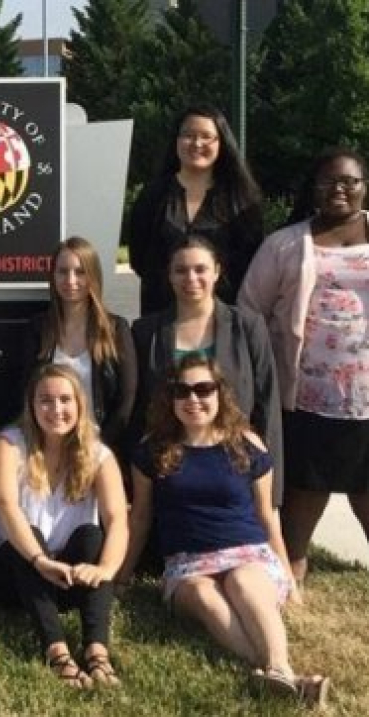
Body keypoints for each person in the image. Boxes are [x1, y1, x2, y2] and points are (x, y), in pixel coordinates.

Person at [119, 355, 328, 708]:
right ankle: (291, 681)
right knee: (202, 594)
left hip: (248, 553)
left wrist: (289, 574)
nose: (193, 400)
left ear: (220, 394)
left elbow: (267, 515)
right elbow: (140, 518)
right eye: (182, 391)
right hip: (187, 565)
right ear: (170, 399)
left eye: (204, 389)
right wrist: (121, 576)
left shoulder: (245, 444)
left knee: (244, 581)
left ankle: (278, 668)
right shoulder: (152, 450)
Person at [239, 147, 369, 586]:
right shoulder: (287, 243)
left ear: (364, 188)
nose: (340, 189)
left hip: (366, 394)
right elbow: (250, 308)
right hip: (307, 391)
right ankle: (293, 562)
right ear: (313, 190)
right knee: (307, 483)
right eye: (329, 181)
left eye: (350, 181)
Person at [0, 364, 128, 689]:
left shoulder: (99, 455)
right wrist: (40, 561)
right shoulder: (10, 444)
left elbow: (118, 520)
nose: (56, 409)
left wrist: (105, 569)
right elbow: (5, 505)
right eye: (45, 400)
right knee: (27, 535)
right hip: (11, 575)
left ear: (79, 405)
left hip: (67, 580)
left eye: (64, 400)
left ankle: (97, 651)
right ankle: (57, 652)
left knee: (92, 535)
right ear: (32, 406)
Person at [130, 233, 283, 504]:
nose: (191, 279)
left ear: (217, 272)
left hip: (233, 470)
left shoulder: (247, 326)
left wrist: (272, 494)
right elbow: (138, 408)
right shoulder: (146, 332)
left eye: (200, 269)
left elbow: (267, 406)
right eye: (181, 270)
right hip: (168, 471)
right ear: (169, 275)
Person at [128, 105, 263, 314]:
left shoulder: (240, 199)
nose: (197, 143)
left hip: (224, 318)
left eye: (206, 136)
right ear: (176, 141)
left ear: (222, 143)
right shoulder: (154, 195)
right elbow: (139, 258)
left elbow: (251, 262)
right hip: (161, 317)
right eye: (188, 135)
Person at [25, 236, 136, 464]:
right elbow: (24, 393)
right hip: (46, 450)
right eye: (62, 272)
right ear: (53, 276)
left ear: (93, 276)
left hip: (100, 450)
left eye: (80, 272)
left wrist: (97, 449)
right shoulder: (38, 329)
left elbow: (127, 401)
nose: (71, 280)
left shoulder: (116, 329)